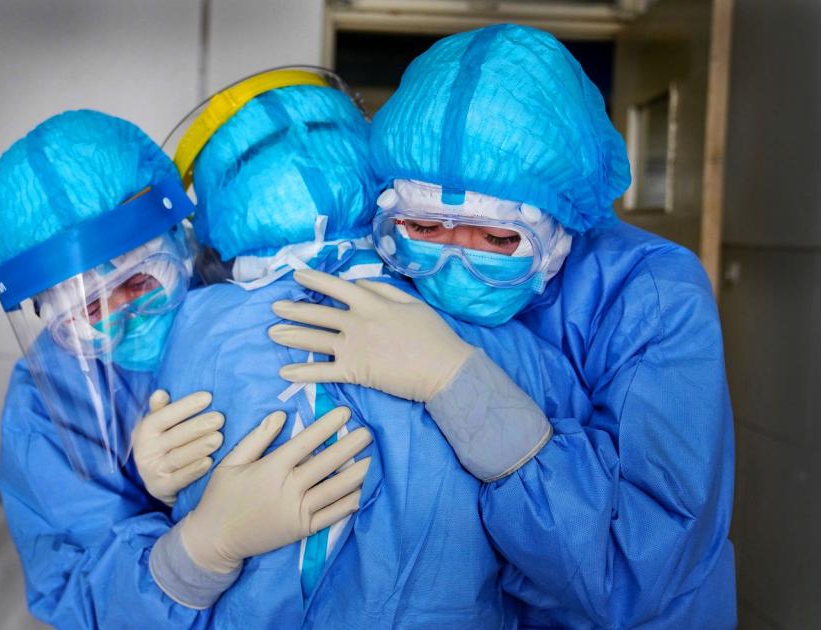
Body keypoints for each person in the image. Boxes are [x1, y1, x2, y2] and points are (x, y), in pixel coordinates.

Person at [269, 25, 737, 628]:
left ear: (562, 222)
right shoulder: (387, 265)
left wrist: (455, 381)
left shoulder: (651, 294)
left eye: (495, 239)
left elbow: (633, 569)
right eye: (425, 228)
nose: (450, 262)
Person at [138, 67, 592, 627]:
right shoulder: (482, 320)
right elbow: (576, 548)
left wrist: (182, 533)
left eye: (497, 239)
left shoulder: (189, 326)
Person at [0, 109, 371, 628]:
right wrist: (197, 550)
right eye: (90, 312)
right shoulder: (46, 401)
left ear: (180, 240)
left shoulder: (258, 290)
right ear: (50, 315)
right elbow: (74, 589)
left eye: (139, 284)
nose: (126, 319)